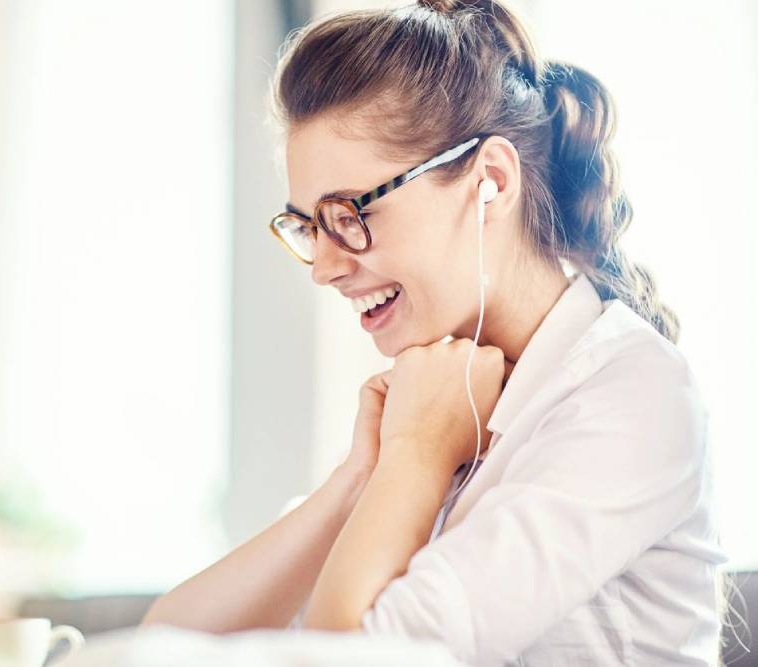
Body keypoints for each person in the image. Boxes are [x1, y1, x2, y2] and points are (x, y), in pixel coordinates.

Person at [141, 1, 730, 664]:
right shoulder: (439, 392)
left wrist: (416, 458)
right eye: (310, 227)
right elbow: (167, 645)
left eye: (350, 213)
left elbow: (348, 658)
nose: (327, 269)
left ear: (490, 183)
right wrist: (359, 479)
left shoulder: (632, 396)